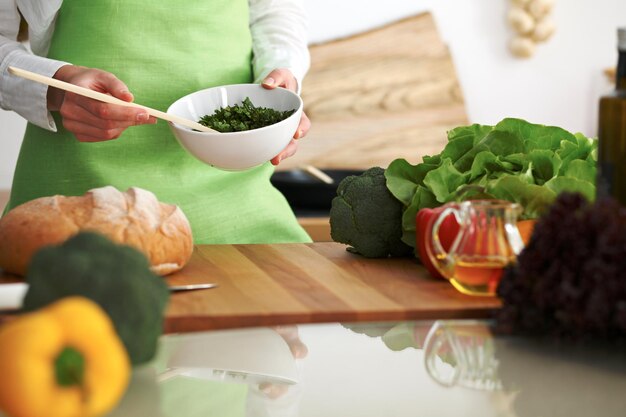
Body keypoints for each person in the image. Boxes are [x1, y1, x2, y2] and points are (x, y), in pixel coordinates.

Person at [0, 0, 312, 244]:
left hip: (237, 201)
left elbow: (275, 10)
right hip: (72, 199)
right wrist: (55, 88)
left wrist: (281, 74)